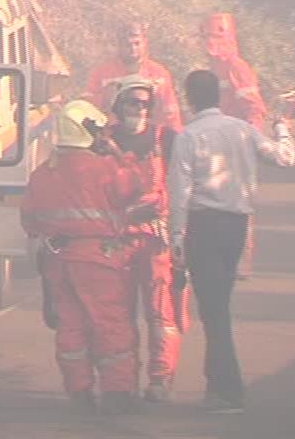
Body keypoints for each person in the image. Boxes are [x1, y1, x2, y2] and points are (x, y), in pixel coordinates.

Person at [167, 69, 295, 414]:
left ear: (188, 98)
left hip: (203, 227)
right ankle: (217, 385)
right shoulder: (243, 130)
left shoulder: (188, 137)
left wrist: (176, 240)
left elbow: (179, 195)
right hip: (236, 227)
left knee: (214, 312)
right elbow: (284, 157)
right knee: (217, 306)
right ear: (220, 97)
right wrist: (282, 127)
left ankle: (229, 390)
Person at [21, 100, 147, 416]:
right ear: (90, 132)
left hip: (57, 259)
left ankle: (78, 392)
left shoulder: (42, 174)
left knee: (70, 327)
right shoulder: (104, 167)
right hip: (98, 259)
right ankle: (117, 393)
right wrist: (117, 151)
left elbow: (29, 221)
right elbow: (135, 187)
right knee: (110, 325)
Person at [108, 76, 188, 404]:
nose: (139, 109)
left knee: (160, 314)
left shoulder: (167, 139)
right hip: (116, 241)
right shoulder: (102, 139)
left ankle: (160, 379)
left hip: (156, 241)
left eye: (144, 104)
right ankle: (122, 382)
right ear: (118, 105)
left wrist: (183, 238)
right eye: (132, 102)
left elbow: (184, 188)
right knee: (119, 315)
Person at [202, 13, 267, 279]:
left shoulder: (237, 67)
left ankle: (241, 261)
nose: (209, 43)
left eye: (215, 37)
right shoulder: (212, 70)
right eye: (206, 37)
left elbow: (254, 109)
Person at [85, 21, 182, 132]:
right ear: (118, 45)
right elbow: (87, 106)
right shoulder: (102, 73)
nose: (132, 49)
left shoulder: (159, 73)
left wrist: (176, 137)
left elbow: (170, 112)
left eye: (137, 43)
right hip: (112, 136)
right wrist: (106, 97)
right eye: (127, 44)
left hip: (149, 137)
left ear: (145, 43)